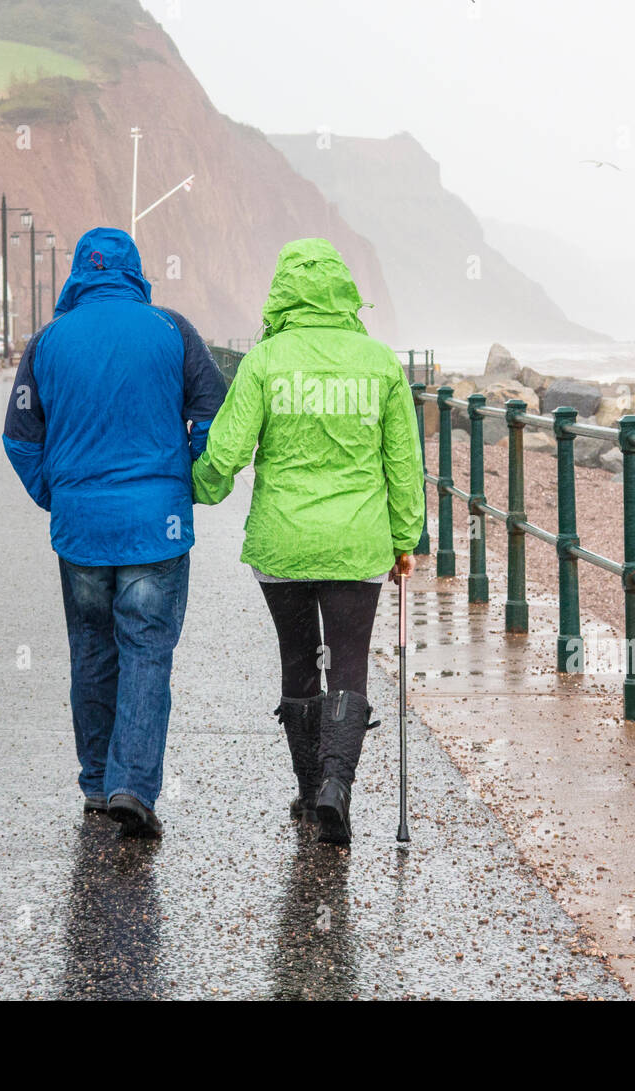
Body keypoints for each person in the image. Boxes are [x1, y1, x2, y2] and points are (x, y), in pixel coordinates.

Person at [192, 238, 424, 845]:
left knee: (299, 662)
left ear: (283, 293)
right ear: (345, 292)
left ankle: (305, 789)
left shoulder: (265, 362)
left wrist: (197, 488)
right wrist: (406, 540)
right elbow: (403, 464)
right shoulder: (379, 364)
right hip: (357, 542)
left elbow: (227, 450)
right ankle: (335, 789)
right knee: (349, 663)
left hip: (283, 541)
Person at [3, 227, 226, 839]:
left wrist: (57, 494)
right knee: (147, 653)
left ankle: (97, 784)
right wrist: (191, 479)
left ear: (79, 271)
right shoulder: (171, 331)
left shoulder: (47, 342)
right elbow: (213, 410)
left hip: (80, 528)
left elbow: (20, 437)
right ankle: (134, 785)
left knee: (93, 653)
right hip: (158, 524)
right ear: (135, 271)